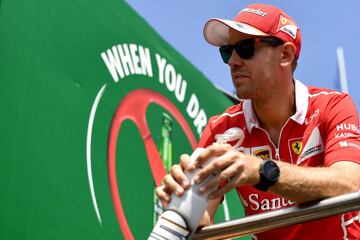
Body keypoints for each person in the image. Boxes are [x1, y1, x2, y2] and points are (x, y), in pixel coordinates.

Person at [155, 3, 360, 239]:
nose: (232, 61)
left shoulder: (332, 105)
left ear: (286, 54)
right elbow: (202, 220)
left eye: (245, 48)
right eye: (227, 51)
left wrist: (262, 172)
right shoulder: (222, 129)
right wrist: (182, 206)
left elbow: (349, 183)